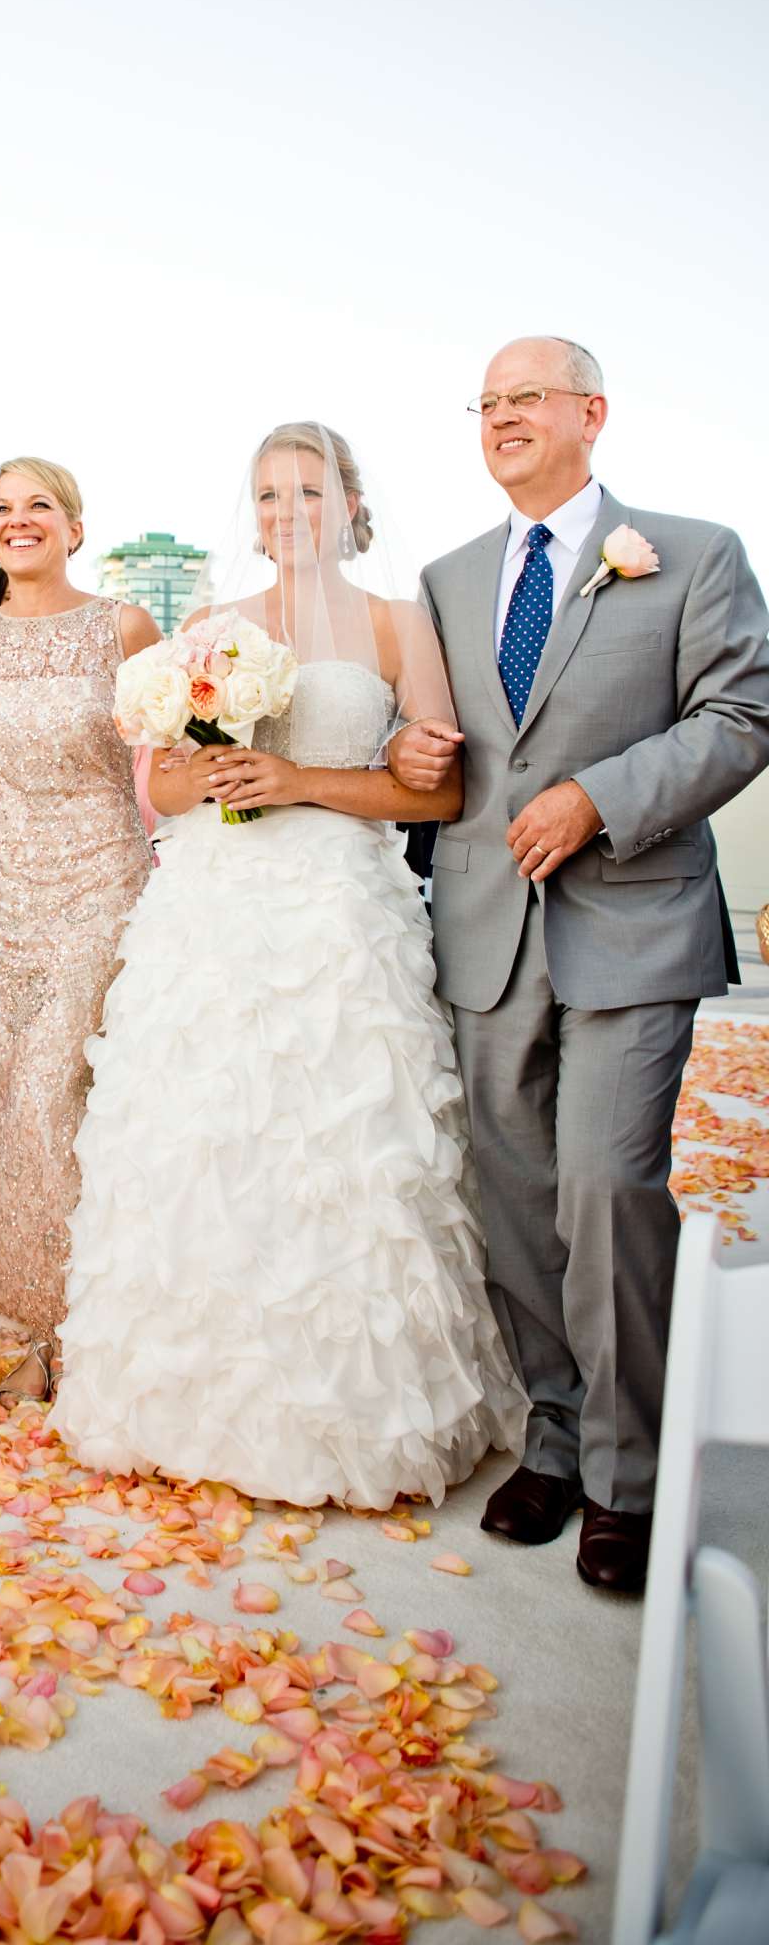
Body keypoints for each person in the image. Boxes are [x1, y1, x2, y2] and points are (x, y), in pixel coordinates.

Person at [54, 422, 526, 1507]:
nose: (283, 515)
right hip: (214, 911)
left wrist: (299, 780)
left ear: (349, 503)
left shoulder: (404, 624)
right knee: (205, 1140)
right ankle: (186, 1401)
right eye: (266, 496)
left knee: (340, 1145)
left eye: (306, 493)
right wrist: (208, 771)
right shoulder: (212, 628)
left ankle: (348, 1411)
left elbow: (441, 791)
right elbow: (159, 793)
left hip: (339, 909)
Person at [391, 339, 769, 1592]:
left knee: (608, 1189)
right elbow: (441, 751)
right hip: (484, 930)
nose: (498, 418)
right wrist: (406, 756)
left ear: (590, 414)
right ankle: (550, 1436)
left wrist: (598, 801)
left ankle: (628, 1478)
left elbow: (741, 714)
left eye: (524, 399)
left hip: (633, 920)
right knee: (510, 1207)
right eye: (484, 403)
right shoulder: (444, 580)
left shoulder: (693, 550)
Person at [0, 459, 157, 1406]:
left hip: (101, 880)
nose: (19, 521)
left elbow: (162, 767)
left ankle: (80, 1328)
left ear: (75, 527)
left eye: (38, 506)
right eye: (2, 508)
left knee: (57, 1091)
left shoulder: (123, 627)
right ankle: (31, 1320)